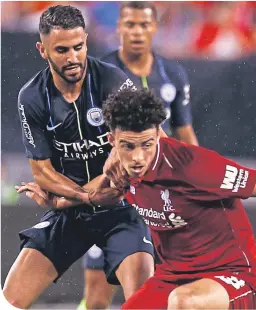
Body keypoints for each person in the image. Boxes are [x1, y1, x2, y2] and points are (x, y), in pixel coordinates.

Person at [19, 88, 256, 309]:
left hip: (232, 274)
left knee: (184, 302)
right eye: (128, 146)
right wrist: (59, 202)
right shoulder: (121, 172)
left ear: (157, 135)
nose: (138, 158)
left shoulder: (193, 165)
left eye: (147, 144)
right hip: (172, 277)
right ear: (112, 142)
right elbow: (99, 193)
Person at [3, 6, 155, 309]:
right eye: (61, 50)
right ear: (42, 50)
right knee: (9, 301)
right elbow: (43, 173)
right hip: (71, 212)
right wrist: (83, 198)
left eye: (78, 47)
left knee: (145, 301)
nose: (73, 57)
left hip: (123, 209)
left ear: (86, 40)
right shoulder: (31, 97)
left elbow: (142, 146)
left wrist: (70, 195)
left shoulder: (111, 80)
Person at [80, 2, 199, 308]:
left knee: (146, 290)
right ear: (118, 27)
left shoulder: (172, 73)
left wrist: (199, 178)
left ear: (154, 28)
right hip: (113, 195)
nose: (136, 32)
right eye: (130, 24)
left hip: (157, 196)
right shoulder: (100, 73)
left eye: (143, 25)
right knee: (96, 297)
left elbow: (184, 133)